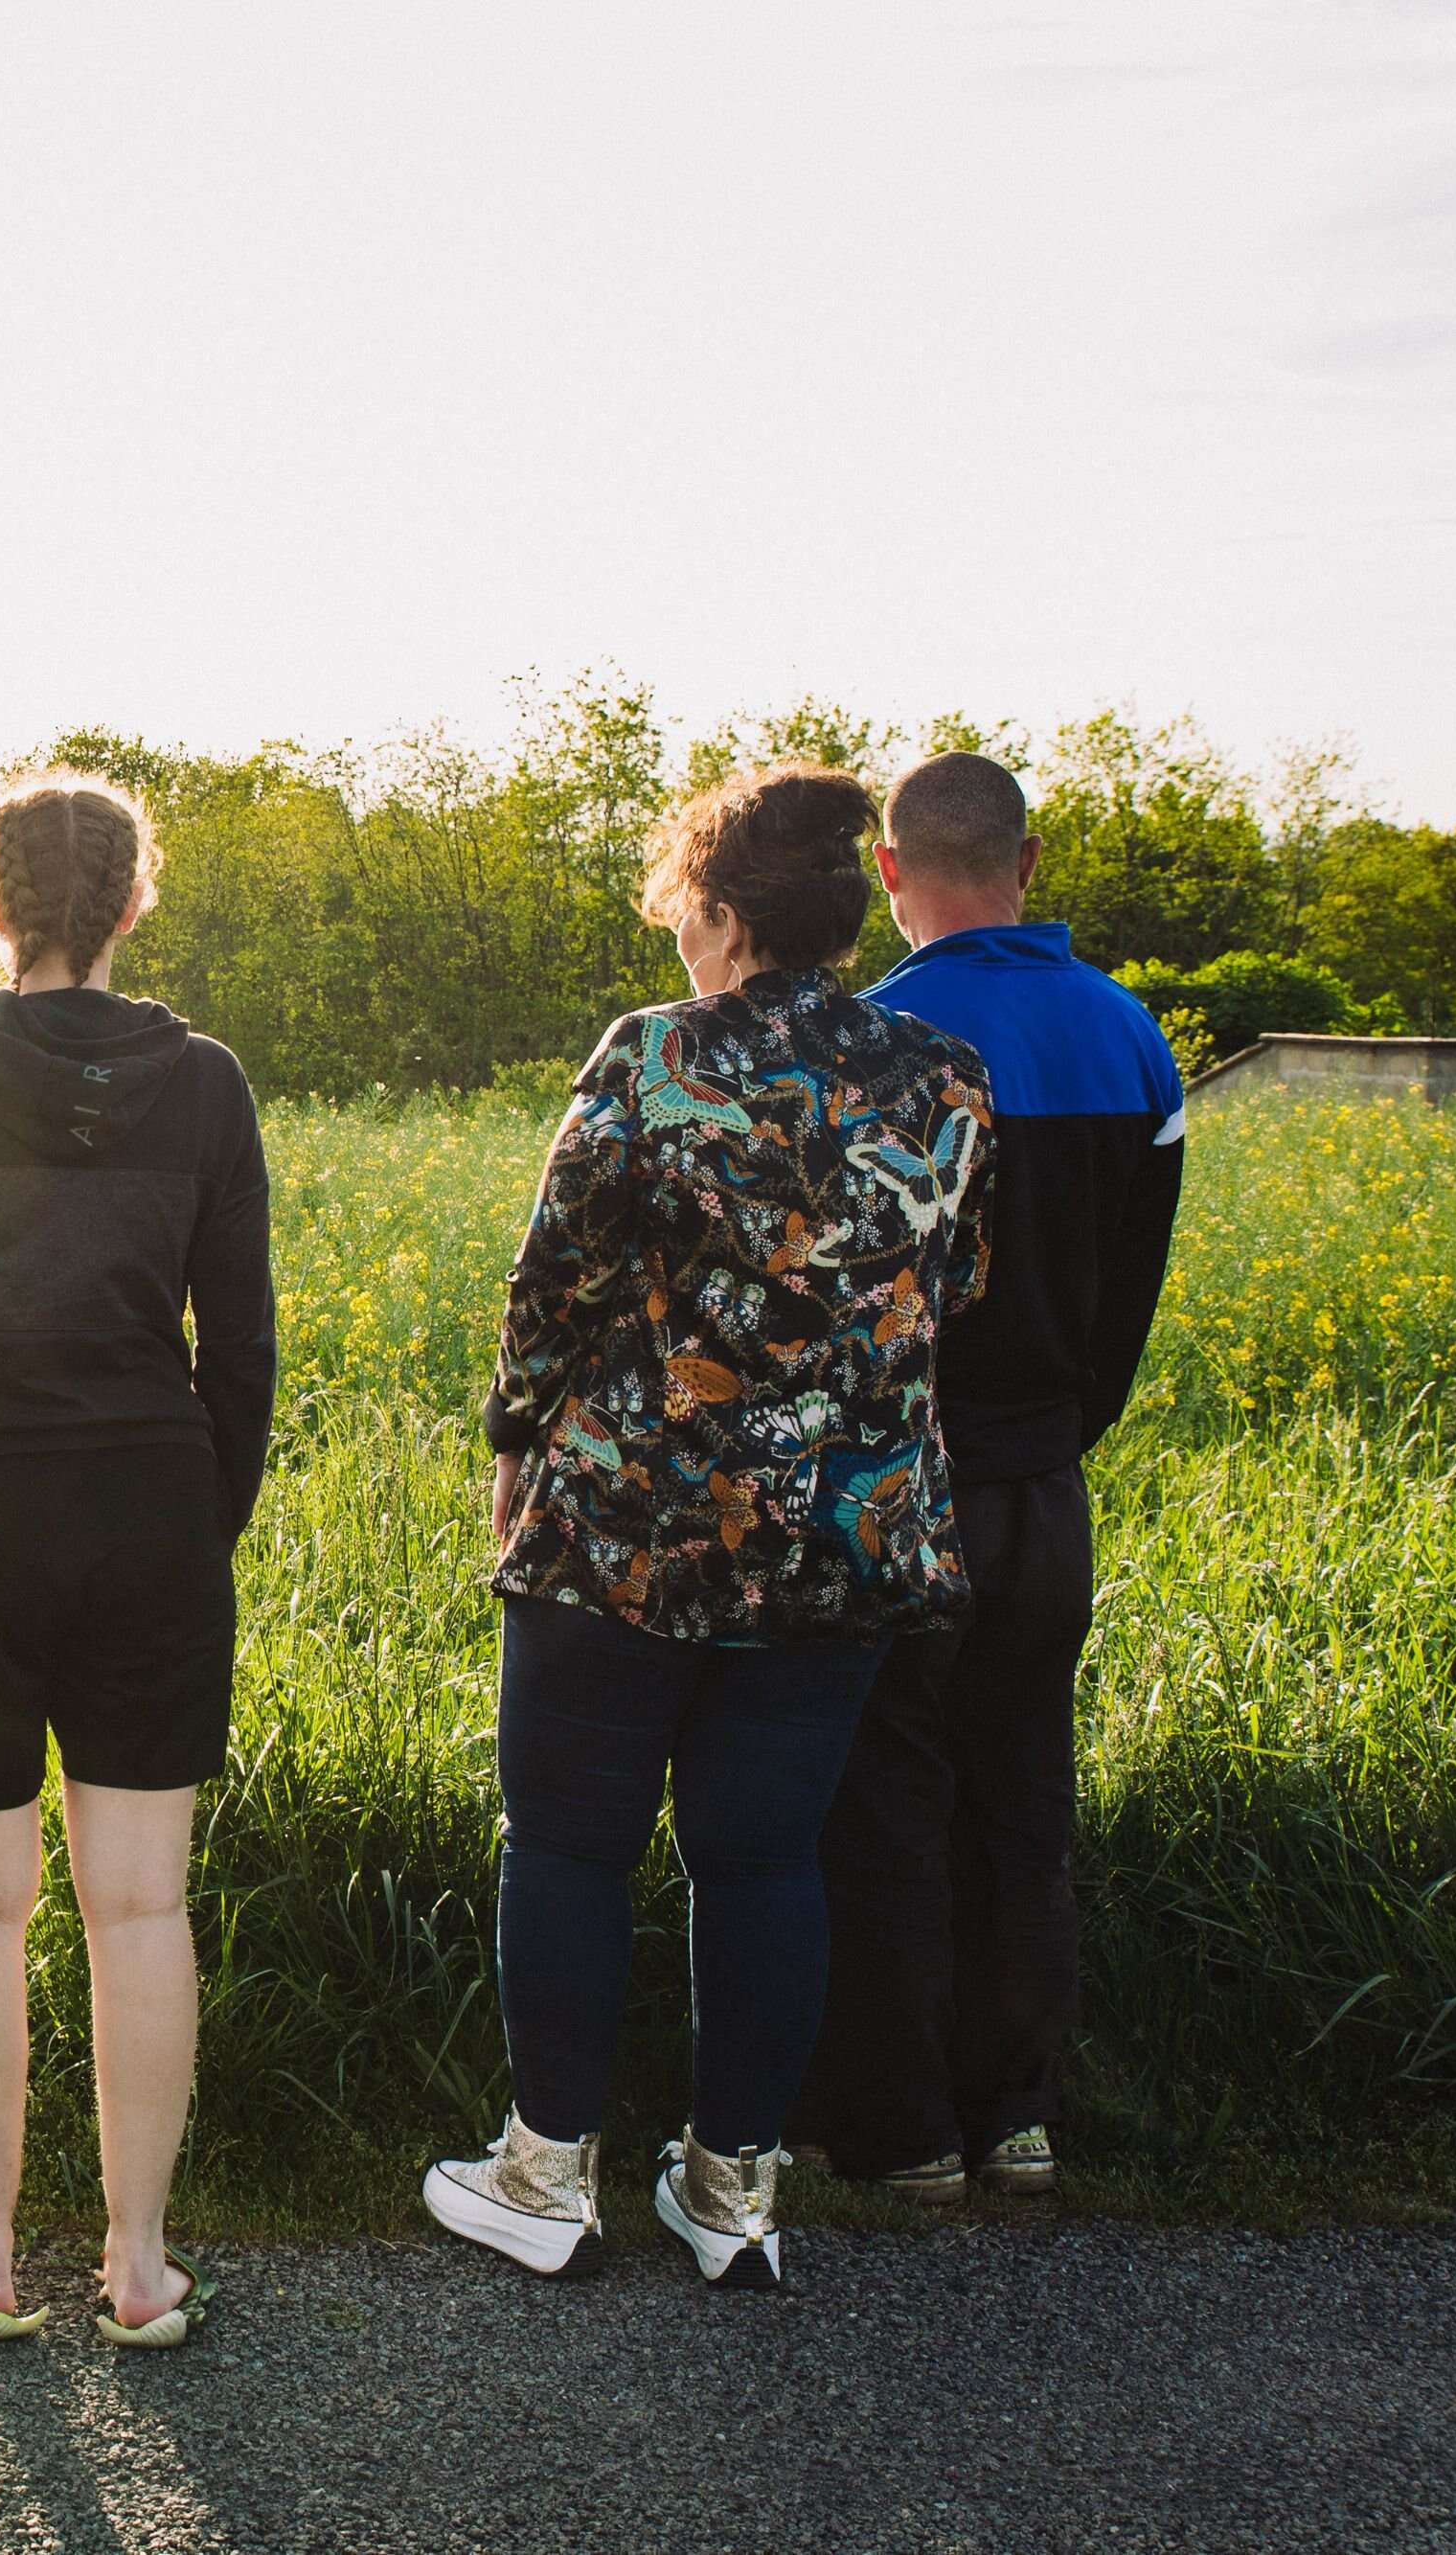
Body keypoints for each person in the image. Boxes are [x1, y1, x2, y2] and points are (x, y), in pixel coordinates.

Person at [424, 762, 993, 2293]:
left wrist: (514, 1444)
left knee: (568, 1846)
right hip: (844, 1534)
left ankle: (547, 2175)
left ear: (727, 915)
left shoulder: (657, 1057)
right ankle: (735, 2192)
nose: (682, 934)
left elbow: (553, 1286)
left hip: (629, 1526)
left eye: (688, 907)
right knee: (766, 1863)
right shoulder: (942, 1073)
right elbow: (954, 1290)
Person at [0, 774, 275, 2348]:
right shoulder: (208, 1084)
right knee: (141, 1910)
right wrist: (192, 1522)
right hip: (152, 1512)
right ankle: (143, 2271)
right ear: (131, 904)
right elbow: (246, 1348)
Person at [799, 752, 1185, 2203]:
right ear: (1030, 864)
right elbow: (1127, 1295)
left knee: (888, 1793)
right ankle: (1016, 2114)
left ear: (889, 876)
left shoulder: (865, 1039)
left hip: (901, 1482)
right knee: (1024, 1793)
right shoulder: (1131, 1039)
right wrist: (1059, 1432)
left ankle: (896, 2136)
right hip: (1041, 1482)